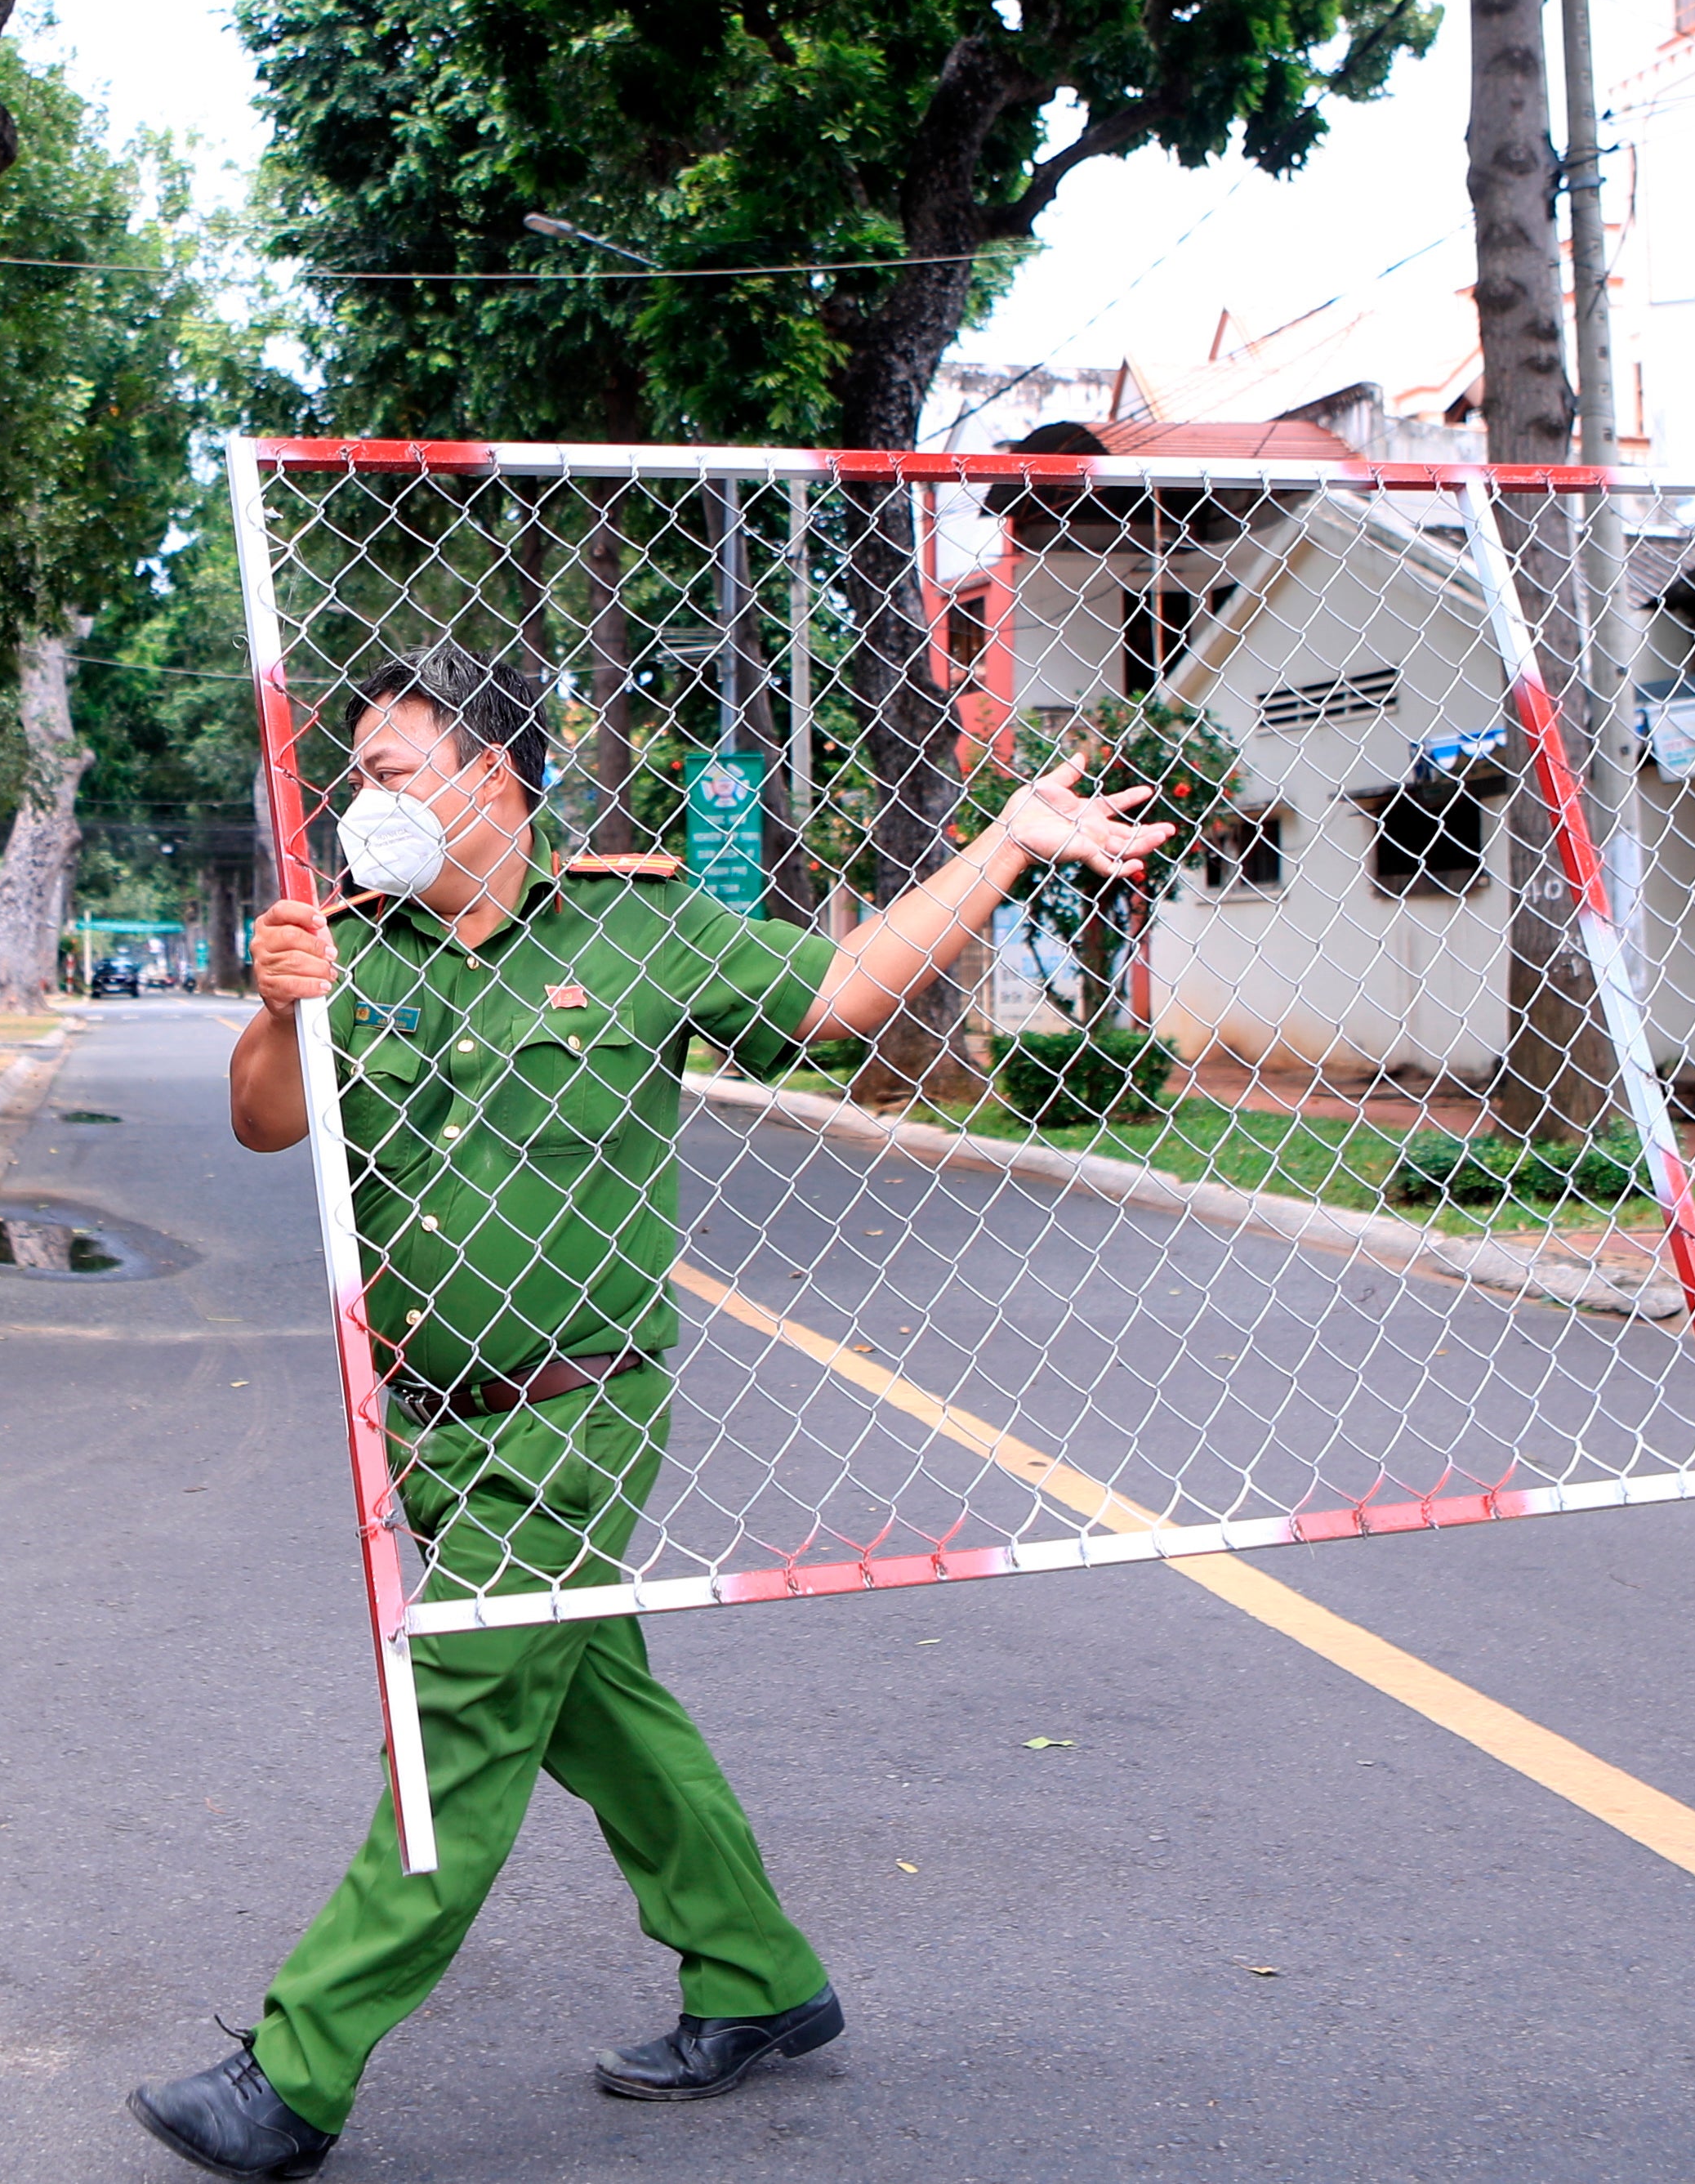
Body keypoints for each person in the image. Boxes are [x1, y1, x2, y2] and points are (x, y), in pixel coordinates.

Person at [130, 649, 1177, 2178]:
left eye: (395, 769)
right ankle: (757, 1974)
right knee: (599, 1706)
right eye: (355, 774)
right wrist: (278, 1008)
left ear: (496, 776)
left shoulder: (634, 929)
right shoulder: (361, 950)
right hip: (432, 1422)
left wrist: (1005, 841)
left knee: (469, 1716)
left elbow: (839, 993)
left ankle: (293, 2071)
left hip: (572, 1418)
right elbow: (265, 1116)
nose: (365, 802)